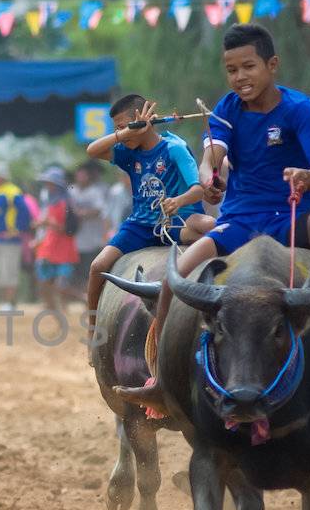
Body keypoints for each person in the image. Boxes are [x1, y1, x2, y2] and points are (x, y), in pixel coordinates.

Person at [122, 23, 310, 410]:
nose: (240, 77)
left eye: (248, 66)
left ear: (272, 65)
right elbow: (212, 157)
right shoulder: (226, 108)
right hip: (240, 219)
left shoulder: (300, 109)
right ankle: (160, 378)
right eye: (232, 69)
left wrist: (306, 176)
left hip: (293, 213)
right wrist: (209, 178)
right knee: (173, 280)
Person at [81, 94, 216, 357]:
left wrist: (178, 201)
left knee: (210, 225)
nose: (119, 132)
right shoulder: (127, 151)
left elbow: (198, 190)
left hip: (177, 221)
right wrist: (125, 134)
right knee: (97, 265)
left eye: (122, 125)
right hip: (141, 225)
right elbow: (92, 150)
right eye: (116, 128)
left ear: (145, 121)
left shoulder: (174, 148)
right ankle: (93, 329)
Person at [0, 161, 33, 307]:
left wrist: (17, 230)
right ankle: (5, 301)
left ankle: (10, 302)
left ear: (0, 176)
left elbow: (24, 213)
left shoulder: (12, 191)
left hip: (10, 240)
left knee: (9, 271)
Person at [33, 166, 82, 313]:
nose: (48, 186)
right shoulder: (49, 201)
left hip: (64, 247)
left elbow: (68, 229)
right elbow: (43, 223)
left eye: (51, 183)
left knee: (62, 285)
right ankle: (56, 312)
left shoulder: (67, 203)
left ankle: (84, 299)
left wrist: (48, 223)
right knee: (45, 282)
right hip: (49, 246)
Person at [68, 161, 110, 279]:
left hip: (92, 238)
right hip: (75, 238)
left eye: (84, 175)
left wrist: (82, 213)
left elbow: (100, 210)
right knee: (76, 272)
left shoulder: (95, 191)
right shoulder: (71, 191)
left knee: (89, 269)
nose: (81, 177)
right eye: (79, 174)